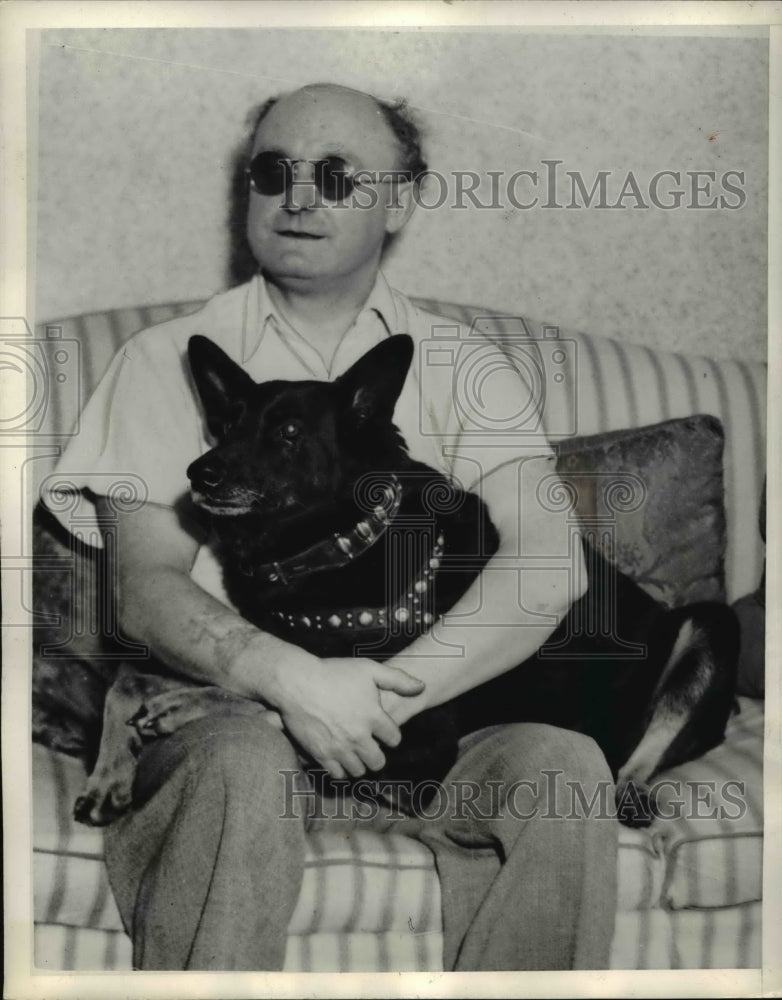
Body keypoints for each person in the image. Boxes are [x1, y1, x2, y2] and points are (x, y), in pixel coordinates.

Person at [47, 83, 618, 971]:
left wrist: (376, 699)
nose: (299, 196)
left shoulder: (467, 367)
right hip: (232, 733)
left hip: (432, 733)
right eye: (273, 172)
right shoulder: (161, 360)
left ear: (400, 201)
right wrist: (294, 683)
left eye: (337, 175)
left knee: (566, 768)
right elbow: (146, 586)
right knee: (242, 765)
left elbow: (551, 567)